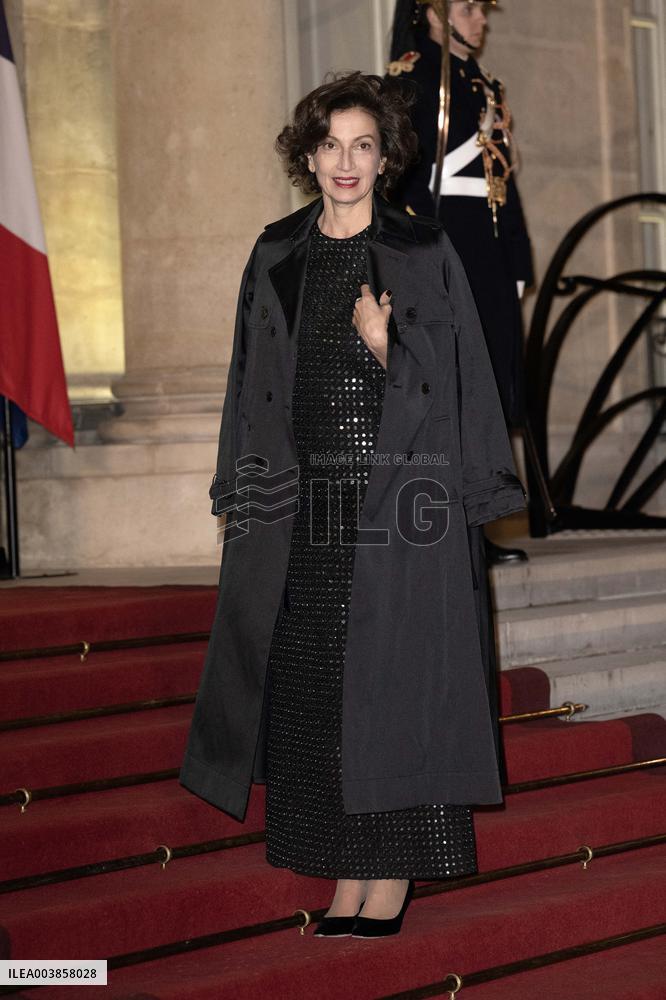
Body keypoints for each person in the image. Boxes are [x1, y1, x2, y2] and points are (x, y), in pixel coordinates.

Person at [179, 71, 526, 939]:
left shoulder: (419, 253)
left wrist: (389, 346)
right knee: (317, 688)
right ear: (308, 153)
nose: (345, 161)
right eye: (330, 144)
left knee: (391, 687)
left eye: (362, 145)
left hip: (397, 502)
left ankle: (390, 873)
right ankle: (344, 870)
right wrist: (244, 491)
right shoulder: (276, 253)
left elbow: (456, 384)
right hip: (305, 505)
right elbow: (247, 384)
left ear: (385, 159)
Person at [388, 0, 534, 565]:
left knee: (491, 384)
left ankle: (477, 522)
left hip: (488, 249)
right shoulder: (412, 77)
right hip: (445, 241)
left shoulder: (481, 81)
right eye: (469, 8)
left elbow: (502, 178)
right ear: (433, 11)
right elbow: (403, 176)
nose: (481, 21)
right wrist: (422, 253)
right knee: (451, 386)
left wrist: (518, 259)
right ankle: (450, 529)